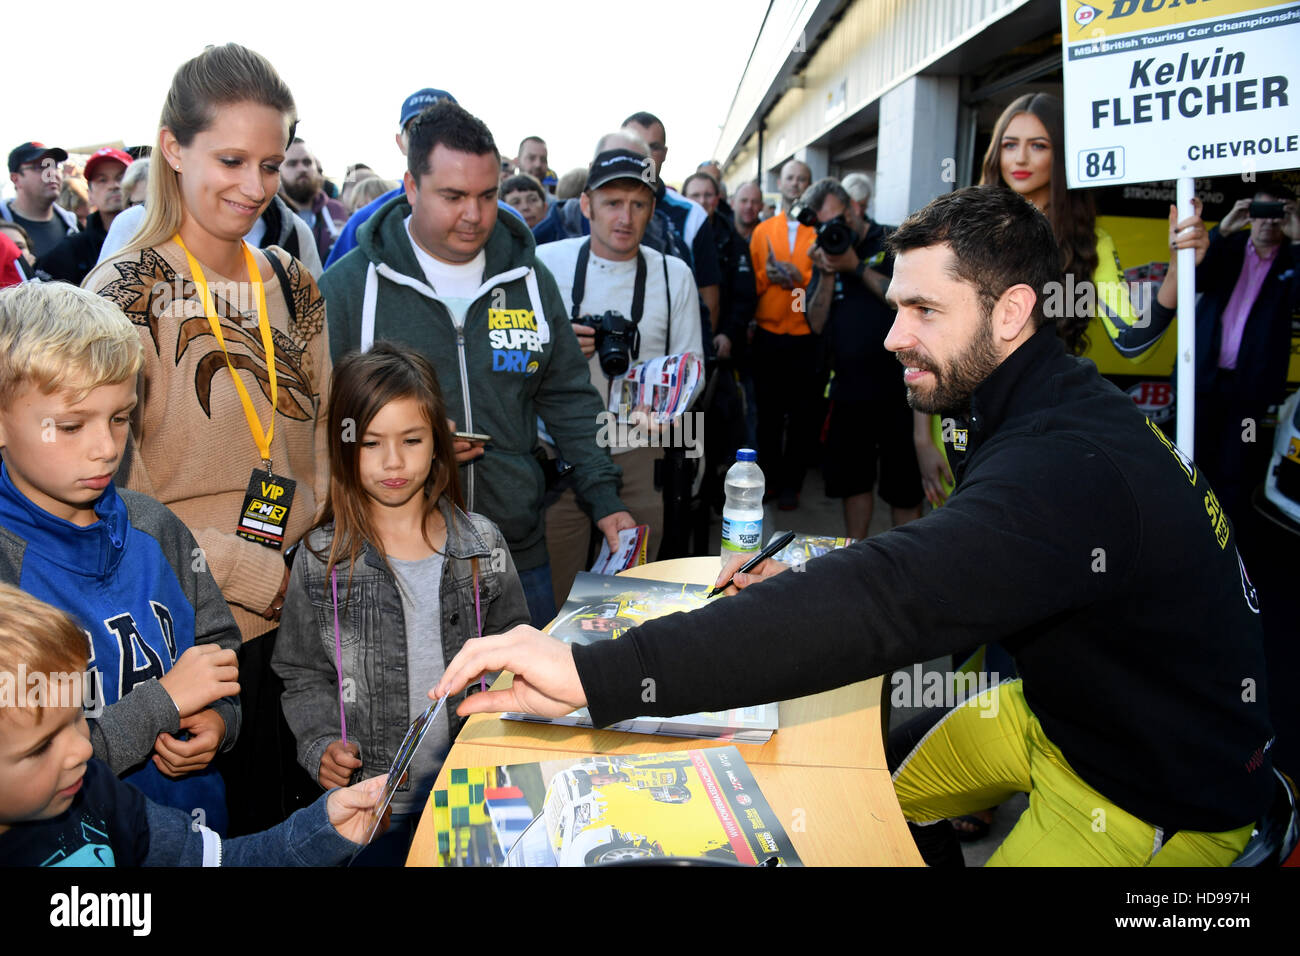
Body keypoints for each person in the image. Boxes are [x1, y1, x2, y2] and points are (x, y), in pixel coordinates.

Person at [434, 185, 1275, 867]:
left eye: (922, 310)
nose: (894, 335)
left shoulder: (1065, 464)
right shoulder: (1044, 400)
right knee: (841, 810)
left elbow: (889, 599)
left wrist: (594, 675)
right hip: (1053, 717)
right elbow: (946, 563)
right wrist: (803, 584)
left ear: (1013, 310)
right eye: (896, 304)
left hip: (1147, 798)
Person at [83, 42, 333, 834]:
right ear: (172, 148)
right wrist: (247, 567)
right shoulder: (121, 292)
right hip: (187, 630)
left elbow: (318, 438)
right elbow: (109, 489)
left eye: (270, 162)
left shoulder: (294, 282)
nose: (255, 186)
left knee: (303, 831)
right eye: (231, 159)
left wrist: (303, 557)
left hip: (299, 621)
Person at [318, 99, 634, 629]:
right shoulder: (351, 288)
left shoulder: (529, 280)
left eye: (487, 195)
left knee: (518, 704)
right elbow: (316, 419)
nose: (474, 214)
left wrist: (604, 497)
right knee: (413, 709)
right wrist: (404, 435)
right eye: (453, 196)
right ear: (411, 187)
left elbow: (567, 397)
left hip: (513, 547)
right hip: (390, 555)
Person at [0, 282, 242, 832]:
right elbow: (21, 764)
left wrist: (219, 722)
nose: (107, 447)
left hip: (201, 826)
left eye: (119, 417)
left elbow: (216, 645)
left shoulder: (155, 524)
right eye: (70, 425)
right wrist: (162, 703)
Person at [274, 344, 529, 864]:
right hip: (372, 805)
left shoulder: (484, 545)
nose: (393, 462)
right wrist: (320, 743)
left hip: (476, 791)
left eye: (411, 440)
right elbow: (300, 672)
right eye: (370, 443)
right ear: (344, 446)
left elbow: (517, 654)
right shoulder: (319, 558)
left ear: (438, 442)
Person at [0, 583, 389, 866]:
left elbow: (221, 861)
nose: (85, 749)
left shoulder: (96, 792)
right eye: (40, 747)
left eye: (77, 719)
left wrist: (323, 829)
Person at [535, 148, 703, 603]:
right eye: (612, 203)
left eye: (638, 204)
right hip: (559, 451)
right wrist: (556, 344)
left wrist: (667, 404)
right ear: (586, 205)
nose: (625, 217)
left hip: (639, 446)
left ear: (653, 209)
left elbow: (693, 366)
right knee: (555, 590)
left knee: (634, 593)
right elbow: (510, 355)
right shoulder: (546, 262)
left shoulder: (674, 275)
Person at [803, 176, 922, 537]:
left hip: (900, 389)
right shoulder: (826, 250)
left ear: (855, 208)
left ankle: (909, 566)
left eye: (838, 220)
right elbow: (816, 323)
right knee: (854, 484)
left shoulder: (895, 241)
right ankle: (857, 560)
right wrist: (826, 273)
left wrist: (854, 267)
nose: (833, 229)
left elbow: (908, 299)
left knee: (904, 487)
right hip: (849, 391)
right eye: (824, 225)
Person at [1189, 180, 1300, 524]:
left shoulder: (1291, 259)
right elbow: (1193, 278)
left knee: (1236, 469)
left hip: (1250, 391)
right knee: (1191, 462)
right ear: (1250, 214)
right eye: (1262, 212)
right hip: (1203, 380)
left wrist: (1298, 241)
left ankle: (1228, 545)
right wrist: (1223, 228)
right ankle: (1186, 531)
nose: (1269, 222)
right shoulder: (1229, 246)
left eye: (1277, 214)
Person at [323, 87, 523, 270]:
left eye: (443, 129)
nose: (429, 140)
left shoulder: (507, 221)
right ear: (400, 142)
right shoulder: (366, 222)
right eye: (415, 130)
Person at [748, 158, 818, 511]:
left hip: (806, 334)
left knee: (803, 417)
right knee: (769, 416)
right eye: (790, 177)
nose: (795, 184)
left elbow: (819, 281)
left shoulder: (818, 230)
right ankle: (771, 482)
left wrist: (798, 280)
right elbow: (753, 279)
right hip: (769, 333)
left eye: (801, 179)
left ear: (809, 185)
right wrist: (769, 279)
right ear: (782, 182)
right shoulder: (763, 230)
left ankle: (793, 485)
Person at [37, 148, 133, 285]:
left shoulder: (163, 236)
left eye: (121, 177)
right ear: (90, 195)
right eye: (102, 180)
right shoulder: (70, 252)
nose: (113, 185)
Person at [280, 138, 349, 264]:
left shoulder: (338, 211)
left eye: (307, 162)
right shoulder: (271, 215)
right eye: (292, 163)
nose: (302, 169)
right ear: (279, 170)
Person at [4, 143, 78, 259]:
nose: (51, 173)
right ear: (15, 178)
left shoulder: (73, 225)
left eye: (55, 166)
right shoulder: (3, 224)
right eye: (39, 167)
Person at [515, 137, 554, 202]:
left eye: (543, 159)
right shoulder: (499, 201)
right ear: (517, 161)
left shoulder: (557, 207)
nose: (538, 164)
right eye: (531, 158)